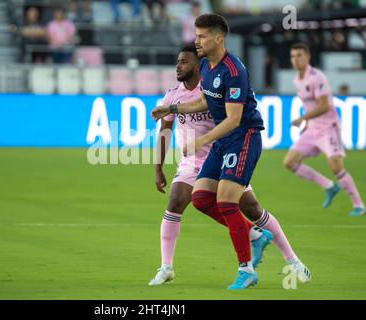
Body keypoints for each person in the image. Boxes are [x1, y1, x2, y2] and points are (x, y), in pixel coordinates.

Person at [149, 44, 311, 287]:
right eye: (178, 62)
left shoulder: (217, 86)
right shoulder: (173, 95)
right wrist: (158, 167)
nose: (178, 66)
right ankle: (166, 267)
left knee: (253, 209)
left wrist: (209, 139)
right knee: (177, 200)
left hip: (223, 154)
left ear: (197, 65)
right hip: (193, 163)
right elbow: (165, 132)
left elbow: (233, 118)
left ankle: (292, 259)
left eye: (184, 62)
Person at [152, 13, 266, 290]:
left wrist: (201, 142)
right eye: (196, 35)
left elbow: (234, 119)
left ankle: (265, 260)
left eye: (202, 36)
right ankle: (168, 266)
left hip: (237, 141)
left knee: (243, 206)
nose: (197, 40)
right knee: (198, 200)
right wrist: (172, 109)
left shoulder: (233, 70)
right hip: (211, 151)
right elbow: (198, 104)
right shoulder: (206, 71)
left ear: (218, 38)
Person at [283, 43, 364, 217]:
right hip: (312, 128)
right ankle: (329, 186)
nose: (295, 60)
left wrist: (302, 119)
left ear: (307, 57)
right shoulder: (297, 79)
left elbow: (324, 106)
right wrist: (307, 124)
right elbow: (308, 105)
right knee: (290, 161)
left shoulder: (317, 77)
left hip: (328, 127)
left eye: (299, 55)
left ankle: (358, 205)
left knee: (335, 166)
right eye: (292, 56)